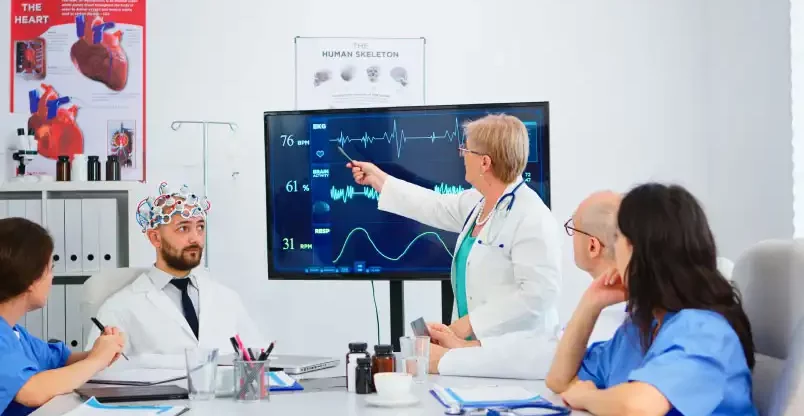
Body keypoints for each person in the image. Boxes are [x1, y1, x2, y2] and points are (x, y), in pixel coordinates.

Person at [546, 183, 758, 416]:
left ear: (639, 252)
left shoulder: (705, 332)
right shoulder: (639, 329)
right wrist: (591, 303)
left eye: (617, 238)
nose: (613, 249)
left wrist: (587, 397)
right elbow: (559, 380)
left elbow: (636, 408)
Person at [348, 114, 562, 341]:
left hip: (516, 355)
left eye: (466, 150)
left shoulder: (532, 216)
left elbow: (539, 296)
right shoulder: (478, 202)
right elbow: (432, 205)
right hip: (475, 347)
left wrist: (470, 324)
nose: (461, 155)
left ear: (485, 162)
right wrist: (378, 178)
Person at [427, 191, 624, 378]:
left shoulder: (612, 311)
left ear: (592, 246)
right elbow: (543, 345)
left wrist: (445, 360)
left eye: (573, 227)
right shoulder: (606, 300)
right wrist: (463, 347)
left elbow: (550, 358)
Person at [85, 182, 264, 368]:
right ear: (155, 238)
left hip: (224, 395)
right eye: (183, 228)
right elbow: (97, 373)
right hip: (157, 397)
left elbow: (258, 360)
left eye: (200, 227)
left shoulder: (227, 298)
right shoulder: (119, 308)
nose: (195, 238)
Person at [0, 218, 124, 416]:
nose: (52, 278)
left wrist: (101, 350)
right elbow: (32, 391)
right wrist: (97, 360)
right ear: (31, 279)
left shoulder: (15, 334)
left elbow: (60, 360)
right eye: (51, 269)